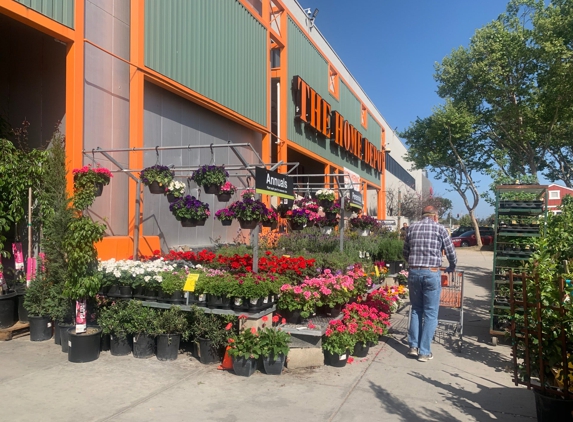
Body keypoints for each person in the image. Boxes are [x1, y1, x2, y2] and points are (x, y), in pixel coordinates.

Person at [403, 205, 456, 362]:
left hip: (414, 272)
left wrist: (413, 265)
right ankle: (424, 352)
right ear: (435, 216)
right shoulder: (440, 229)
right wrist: (452, 266)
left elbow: (405, 252)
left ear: (422, 216)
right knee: (431, 313)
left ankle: (413, 346)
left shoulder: (411, 228)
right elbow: (451, 251)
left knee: (416, 309)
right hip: (432, 272)